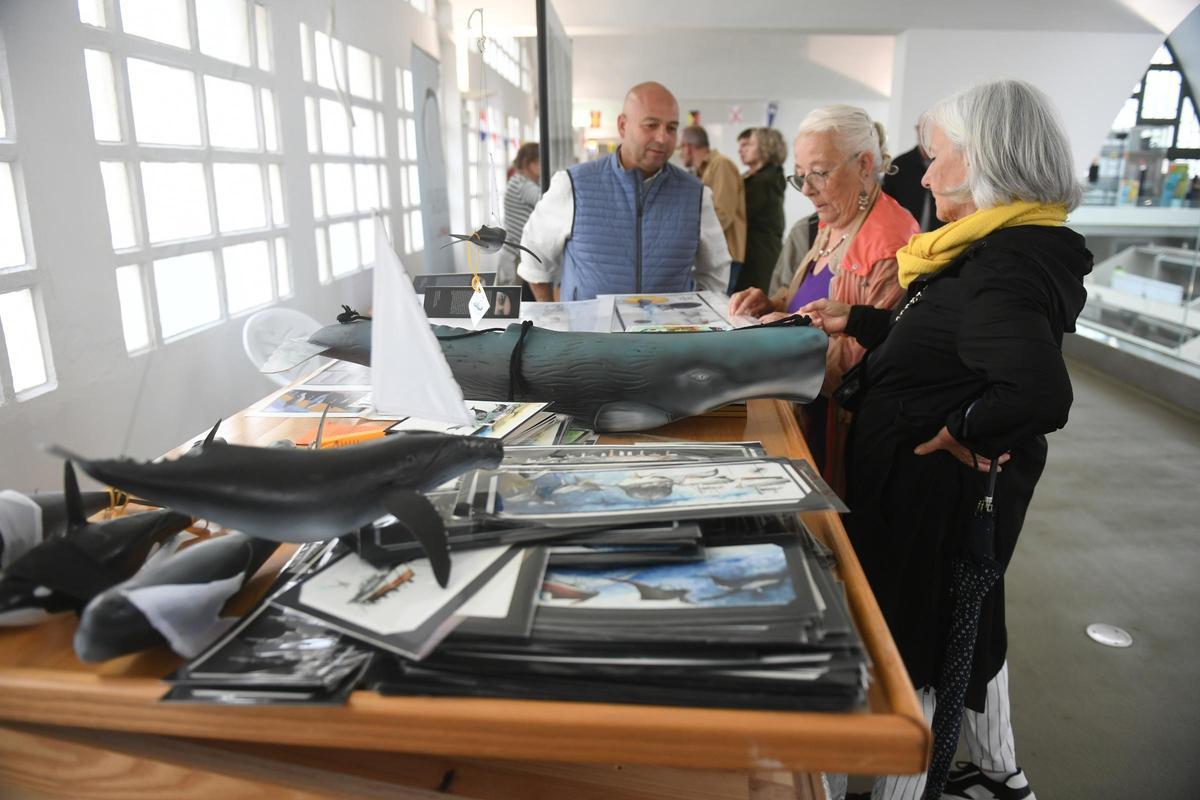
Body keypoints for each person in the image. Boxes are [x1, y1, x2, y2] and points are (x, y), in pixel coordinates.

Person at [801, 79, 1092, 800]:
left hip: (932, 502)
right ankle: (982, 775)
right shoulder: (986, 248)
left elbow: (1037, 392)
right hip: (915, 491)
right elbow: (944, 349)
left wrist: (961, 431)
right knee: (926, 643)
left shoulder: (1004, 265)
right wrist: (862, 324)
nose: (925, 175)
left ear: (987, 159)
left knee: (916, 655)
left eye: (939, 158)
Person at [729, 106, 916, 483]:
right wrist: (773, 303)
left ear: (864, 165)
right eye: (800, 176)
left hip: (847, 435)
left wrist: (788, 337)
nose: (808, 189)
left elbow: (866, 367)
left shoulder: (888, 244)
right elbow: (811, 301)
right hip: (803, 411)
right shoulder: (836, 221)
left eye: (819, 173)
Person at [517, 82, 731, 301]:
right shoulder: (573, 185)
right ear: (622, 126)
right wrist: (552, 320)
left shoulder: (695, 195)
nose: (663, 138)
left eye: (671, 128)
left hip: (668, 335)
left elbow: (716, 272)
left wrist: (695, 319)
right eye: (651, 125)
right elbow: (535, 258)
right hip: (586, 334)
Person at [679, 125, 746, 282]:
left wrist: (686, 237)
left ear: (688, 147)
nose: (680, 154)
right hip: (713, 257)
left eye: (680, 148)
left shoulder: (720, 165)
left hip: (725, 257)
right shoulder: (705, 170)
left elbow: (723, 214)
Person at [733, 127, 787, 293]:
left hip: (759, 256)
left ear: (765, 147)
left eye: (750, 144)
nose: (741, 150)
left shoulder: (766, 179)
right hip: (755, 251)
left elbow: (742, 213)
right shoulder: (757, 176)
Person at [497, 142, 541, 286]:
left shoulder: (517, 181)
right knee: (509, 304)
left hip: (516, 255)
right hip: (514, 257)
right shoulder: (523, 184)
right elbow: (546, 202)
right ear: (531, 163)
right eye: (540, 162)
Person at [883, 134, 944, 232]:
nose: (925, 181)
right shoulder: (900, 164)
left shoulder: (945, 164)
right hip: (902, 234)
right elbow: (886, 201)